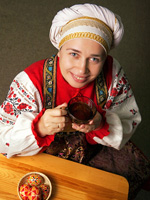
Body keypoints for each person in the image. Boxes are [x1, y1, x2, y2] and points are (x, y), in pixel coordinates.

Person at [0, 3, 149, 199]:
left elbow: (129, 120)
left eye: (95, 59)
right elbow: (2, 139)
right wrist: (40, 128)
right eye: (74, 54)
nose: (81, 70)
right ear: (59, 50)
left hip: (95, 148)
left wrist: (101, 123)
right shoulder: (30, 82)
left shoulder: (114, 76)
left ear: (105, 58)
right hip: (43, 152)